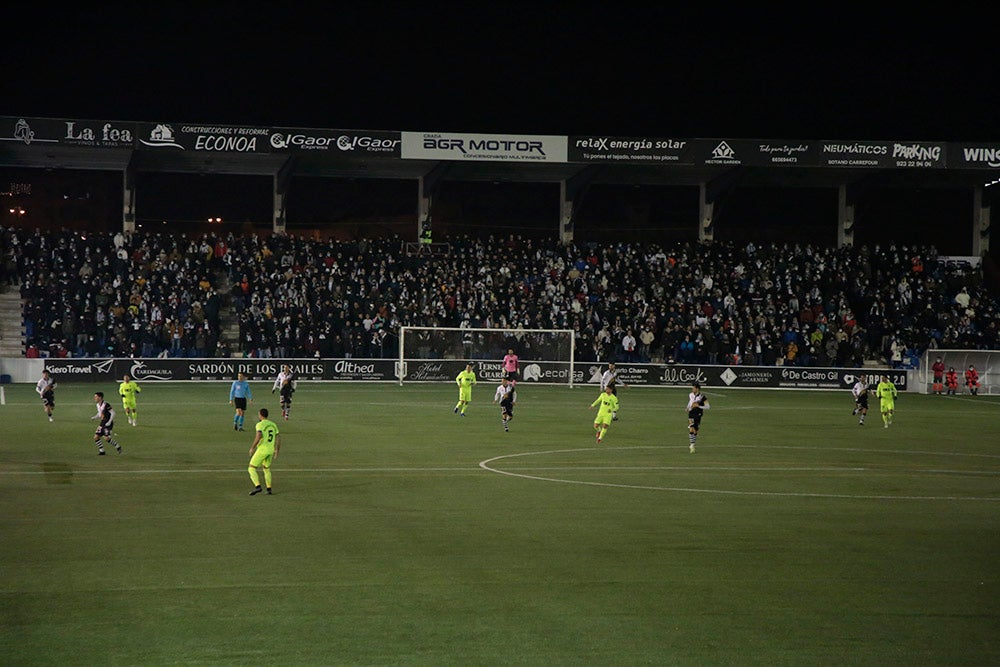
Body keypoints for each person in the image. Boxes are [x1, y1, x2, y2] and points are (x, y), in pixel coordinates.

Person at [248, 407, 280, 496]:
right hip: (270, 450)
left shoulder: (260, 424)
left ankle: (257, 486)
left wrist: (252, 447)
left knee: (251, 468)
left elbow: (258, 436)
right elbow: (278, 437)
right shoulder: (273, 424)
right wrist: (277, 449)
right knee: (266, 468)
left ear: (260, 415)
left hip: (262, 449)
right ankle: (269, 489)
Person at [686, 381, 710, 453]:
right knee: (691, 428)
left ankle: (693, 443)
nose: (692, 389)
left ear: (697, 389)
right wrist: (687, 407)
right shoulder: (691, 395)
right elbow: (690, 402)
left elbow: (708, 407)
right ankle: (692, 445)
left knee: (695, 431)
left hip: (698, 414)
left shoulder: (702, 397)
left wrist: (699, 406)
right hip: (691, 413)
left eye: (693, 388)